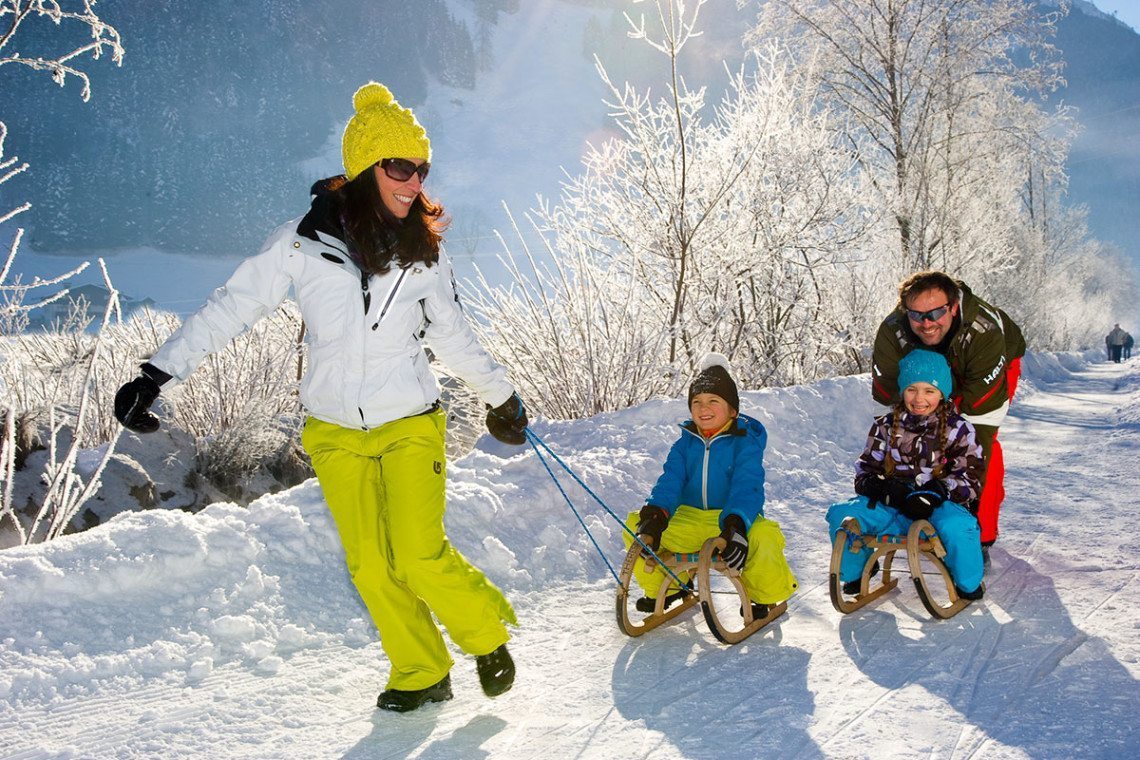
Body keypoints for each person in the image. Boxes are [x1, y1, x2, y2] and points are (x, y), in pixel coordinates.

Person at [113, 82, 529, 713]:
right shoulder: (301, 243)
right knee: (368, 564)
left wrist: (501, 397)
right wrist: (156, 373)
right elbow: (233, 307)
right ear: (366, 168)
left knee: (417, 555)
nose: (415, 181)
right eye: (399, 166)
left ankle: (485, 635)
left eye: (422, 168)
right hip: (334, 430)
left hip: (411, 420)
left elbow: (453, 334)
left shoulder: (424, 251)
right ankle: (421, 670)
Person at [624, 354, 798, 618]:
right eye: (697, 402)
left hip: (728, 521)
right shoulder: (684, 445)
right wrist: (656, 515)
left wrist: (737, 525)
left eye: (713, 401)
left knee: (764, 537)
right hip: (689, 521)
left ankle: (763, 596)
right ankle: (670, 587)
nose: (703, 408)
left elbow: (747, 484)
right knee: (635, 527)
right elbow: (670, 481)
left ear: (732, 410)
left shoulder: (744, 443)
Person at [871, 271, 1024, 564]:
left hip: (982, 366)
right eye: (917, 315)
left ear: (953, 307)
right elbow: (887, 405)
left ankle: (978, 533)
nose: (927, 323)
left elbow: (980, 426)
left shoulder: (984, 331)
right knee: (912, 434)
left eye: (936, 313)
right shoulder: (892, 332)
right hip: (921, 374)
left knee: (972, 445)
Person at [829, 349, 987, 599]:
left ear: (942, 393)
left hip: (937, 507)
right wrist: (879, 488)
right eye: (912, 389)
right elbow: (865, 469)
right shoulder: (884, 426)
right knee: (842, 515)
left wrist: (938, 491)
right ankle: (857, 572)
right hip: (893, 508)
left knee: (959, 526)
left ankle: (967, 582)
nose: (919, 398)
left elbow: (971, 477)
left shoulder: (959, 429)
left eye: (929, 391)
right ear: (902, 390)